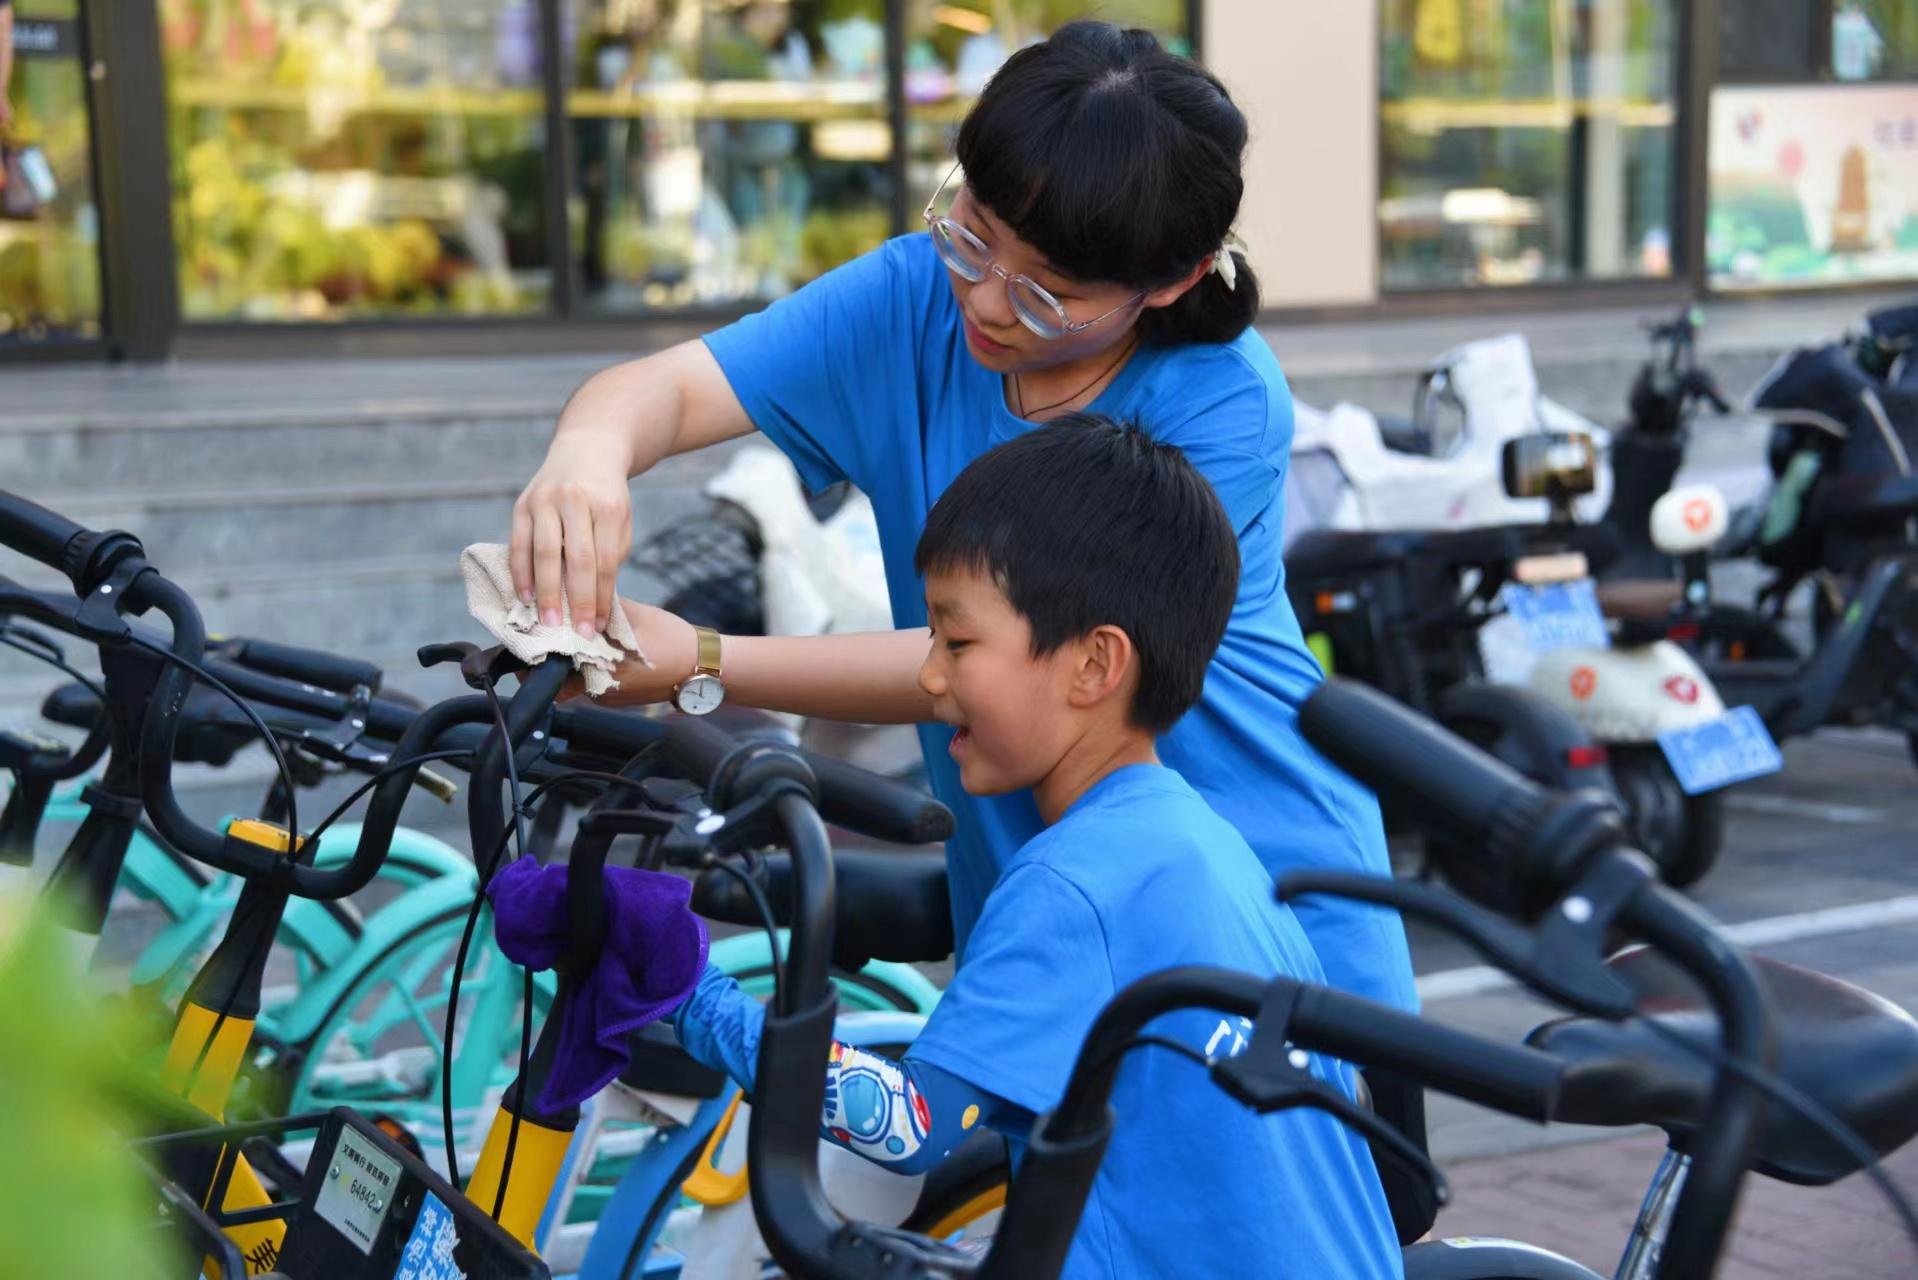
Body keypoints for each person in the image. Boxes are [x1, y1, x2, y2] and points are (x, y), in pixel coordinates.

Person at [509, 20, 1416, 1013]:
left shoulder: (1216, 403)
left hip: (1265, 903)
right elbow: (670, 391)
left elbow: (1008, 665)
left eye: (1047, 292)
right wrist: (587, 457)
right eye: (972, 231)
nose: (983, 300)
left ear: (1174, 281)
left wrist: (705, 659)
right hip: (1042, 899)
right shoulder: (912, 298)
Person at [671, 418, 1403, 1279]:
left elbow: (911, 1126)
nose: (932, 677)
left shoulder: (1078, 881)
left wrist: (690, 999)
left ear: (1094, 665)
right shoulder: (1199, 842)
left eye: (959, 640)